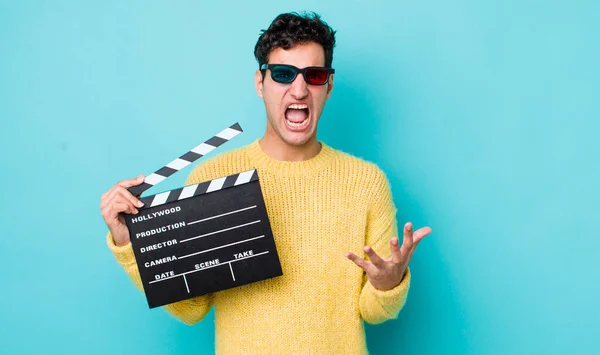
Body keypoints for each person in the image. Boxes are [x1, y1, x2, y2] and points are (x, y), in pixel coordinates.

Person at [100, 11, 432, 354]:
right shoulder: (214, 178)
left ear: (329, 86)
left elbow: (374, 311)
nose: (299, 89)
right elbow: (191, 308)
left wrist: (388, 283)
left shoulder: (365, 183)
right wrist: (130, 245)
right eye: (283, 74)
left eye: (314, 75)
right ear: (260, 83)